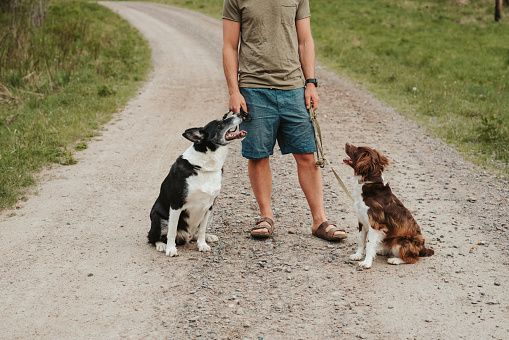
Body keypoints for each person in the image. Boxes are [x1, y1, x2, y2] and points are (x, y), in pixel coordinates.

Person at [222, 0, 347, 241]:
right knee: (258, 155)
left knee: (307, 154)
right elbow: (229, 45)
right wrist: (234, 91)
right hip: (253, 88)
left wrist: (310, 83)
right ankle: (265, 216)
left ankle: (319, 220)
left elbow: (305, 40)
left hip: (293, 88)